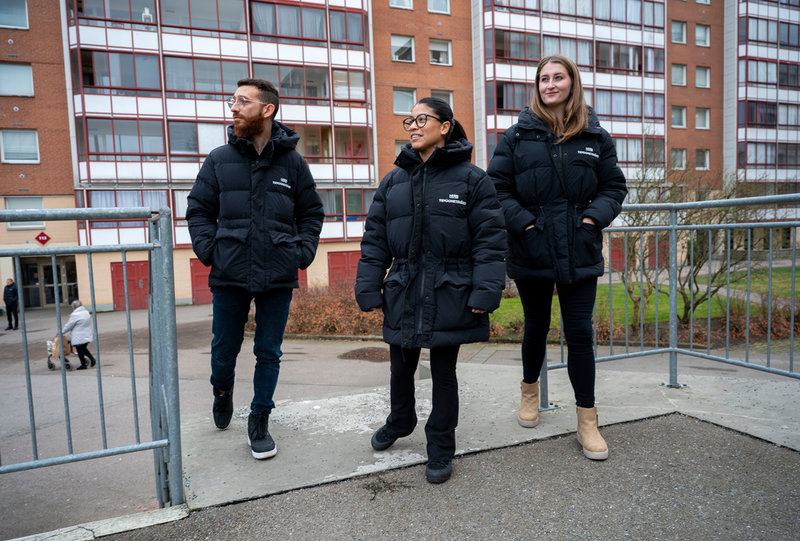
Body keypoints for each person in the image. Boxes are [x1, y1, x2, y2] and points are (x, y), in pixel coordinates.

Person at [355, 97, 506, 483]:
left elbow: (490, 242)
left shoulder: (473, 180)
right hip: (404, 287)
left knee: (443, 373)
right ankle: (400, 420)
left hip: (449, 288)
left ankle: (440, 445)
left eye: (422, 118)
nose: (413, 125)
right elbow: (375, 240)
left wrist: (485, 292)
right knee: (400, 369)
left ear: (445, 127)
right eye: (410, 120)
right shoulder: (393, 181)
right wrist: (368, 285)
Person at [487, 55, 627, 461]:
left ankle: (587, 421)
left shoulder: (595, 135)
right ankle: (529, 393)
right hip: (531, 246)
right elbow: (497, 188)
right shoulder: (517, 135)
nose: (550, 84)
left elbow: (613, 187)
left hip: (579, 247)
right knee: (536, 325)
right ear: (537, 86)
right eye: (543, 78)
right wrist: (527, 227)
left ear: (572, 82)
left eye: (558, 77)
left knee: (580, 333)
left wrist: (589, 221)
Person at [186, 78, 324, 460]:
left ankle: (260, 418)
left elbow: (311, 212)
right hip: (229, 270)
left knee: (269, 351)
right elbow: (198, 210)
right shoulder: (218, 160)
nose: (233, 108)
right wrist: (210, 250)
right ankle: (222, 390)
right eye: (232, 101)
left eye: (242, 102)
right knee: (223, 350)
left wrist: (302, 252)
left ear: (268, 110)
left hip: (278, 271)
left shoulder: (293, 164)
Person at [61, 299, 96, 370]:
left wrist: (61, 332)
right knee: (84, 349)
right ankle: (92, 359)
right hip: (87, 334)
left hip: (78, 336)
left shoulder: (75, 315)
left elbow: (69, 325)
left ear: (74, 307)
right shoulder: (86, 312)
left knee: (80, 350)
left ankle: (83, 365)